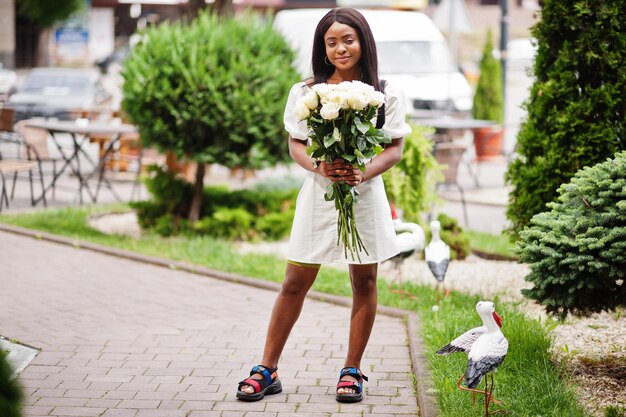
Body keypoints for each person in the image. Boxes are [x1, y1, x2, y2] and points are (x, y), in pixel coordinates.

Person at [236, 7, 411, 404]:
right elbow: (295, 142)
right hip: (318, 194)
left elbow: (395, 147)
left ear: (363, 41)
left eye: (347, 39)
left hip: (364, 197)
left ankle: (352, 370)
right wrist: (320, 165)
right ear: (322, 47)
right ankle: (267, 368)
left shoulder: (385, 91)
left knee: (363, 282)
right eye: (331, 42)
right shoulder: (307, 92)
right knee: (294, 281)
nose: (340, 48)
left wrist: (363, 172)